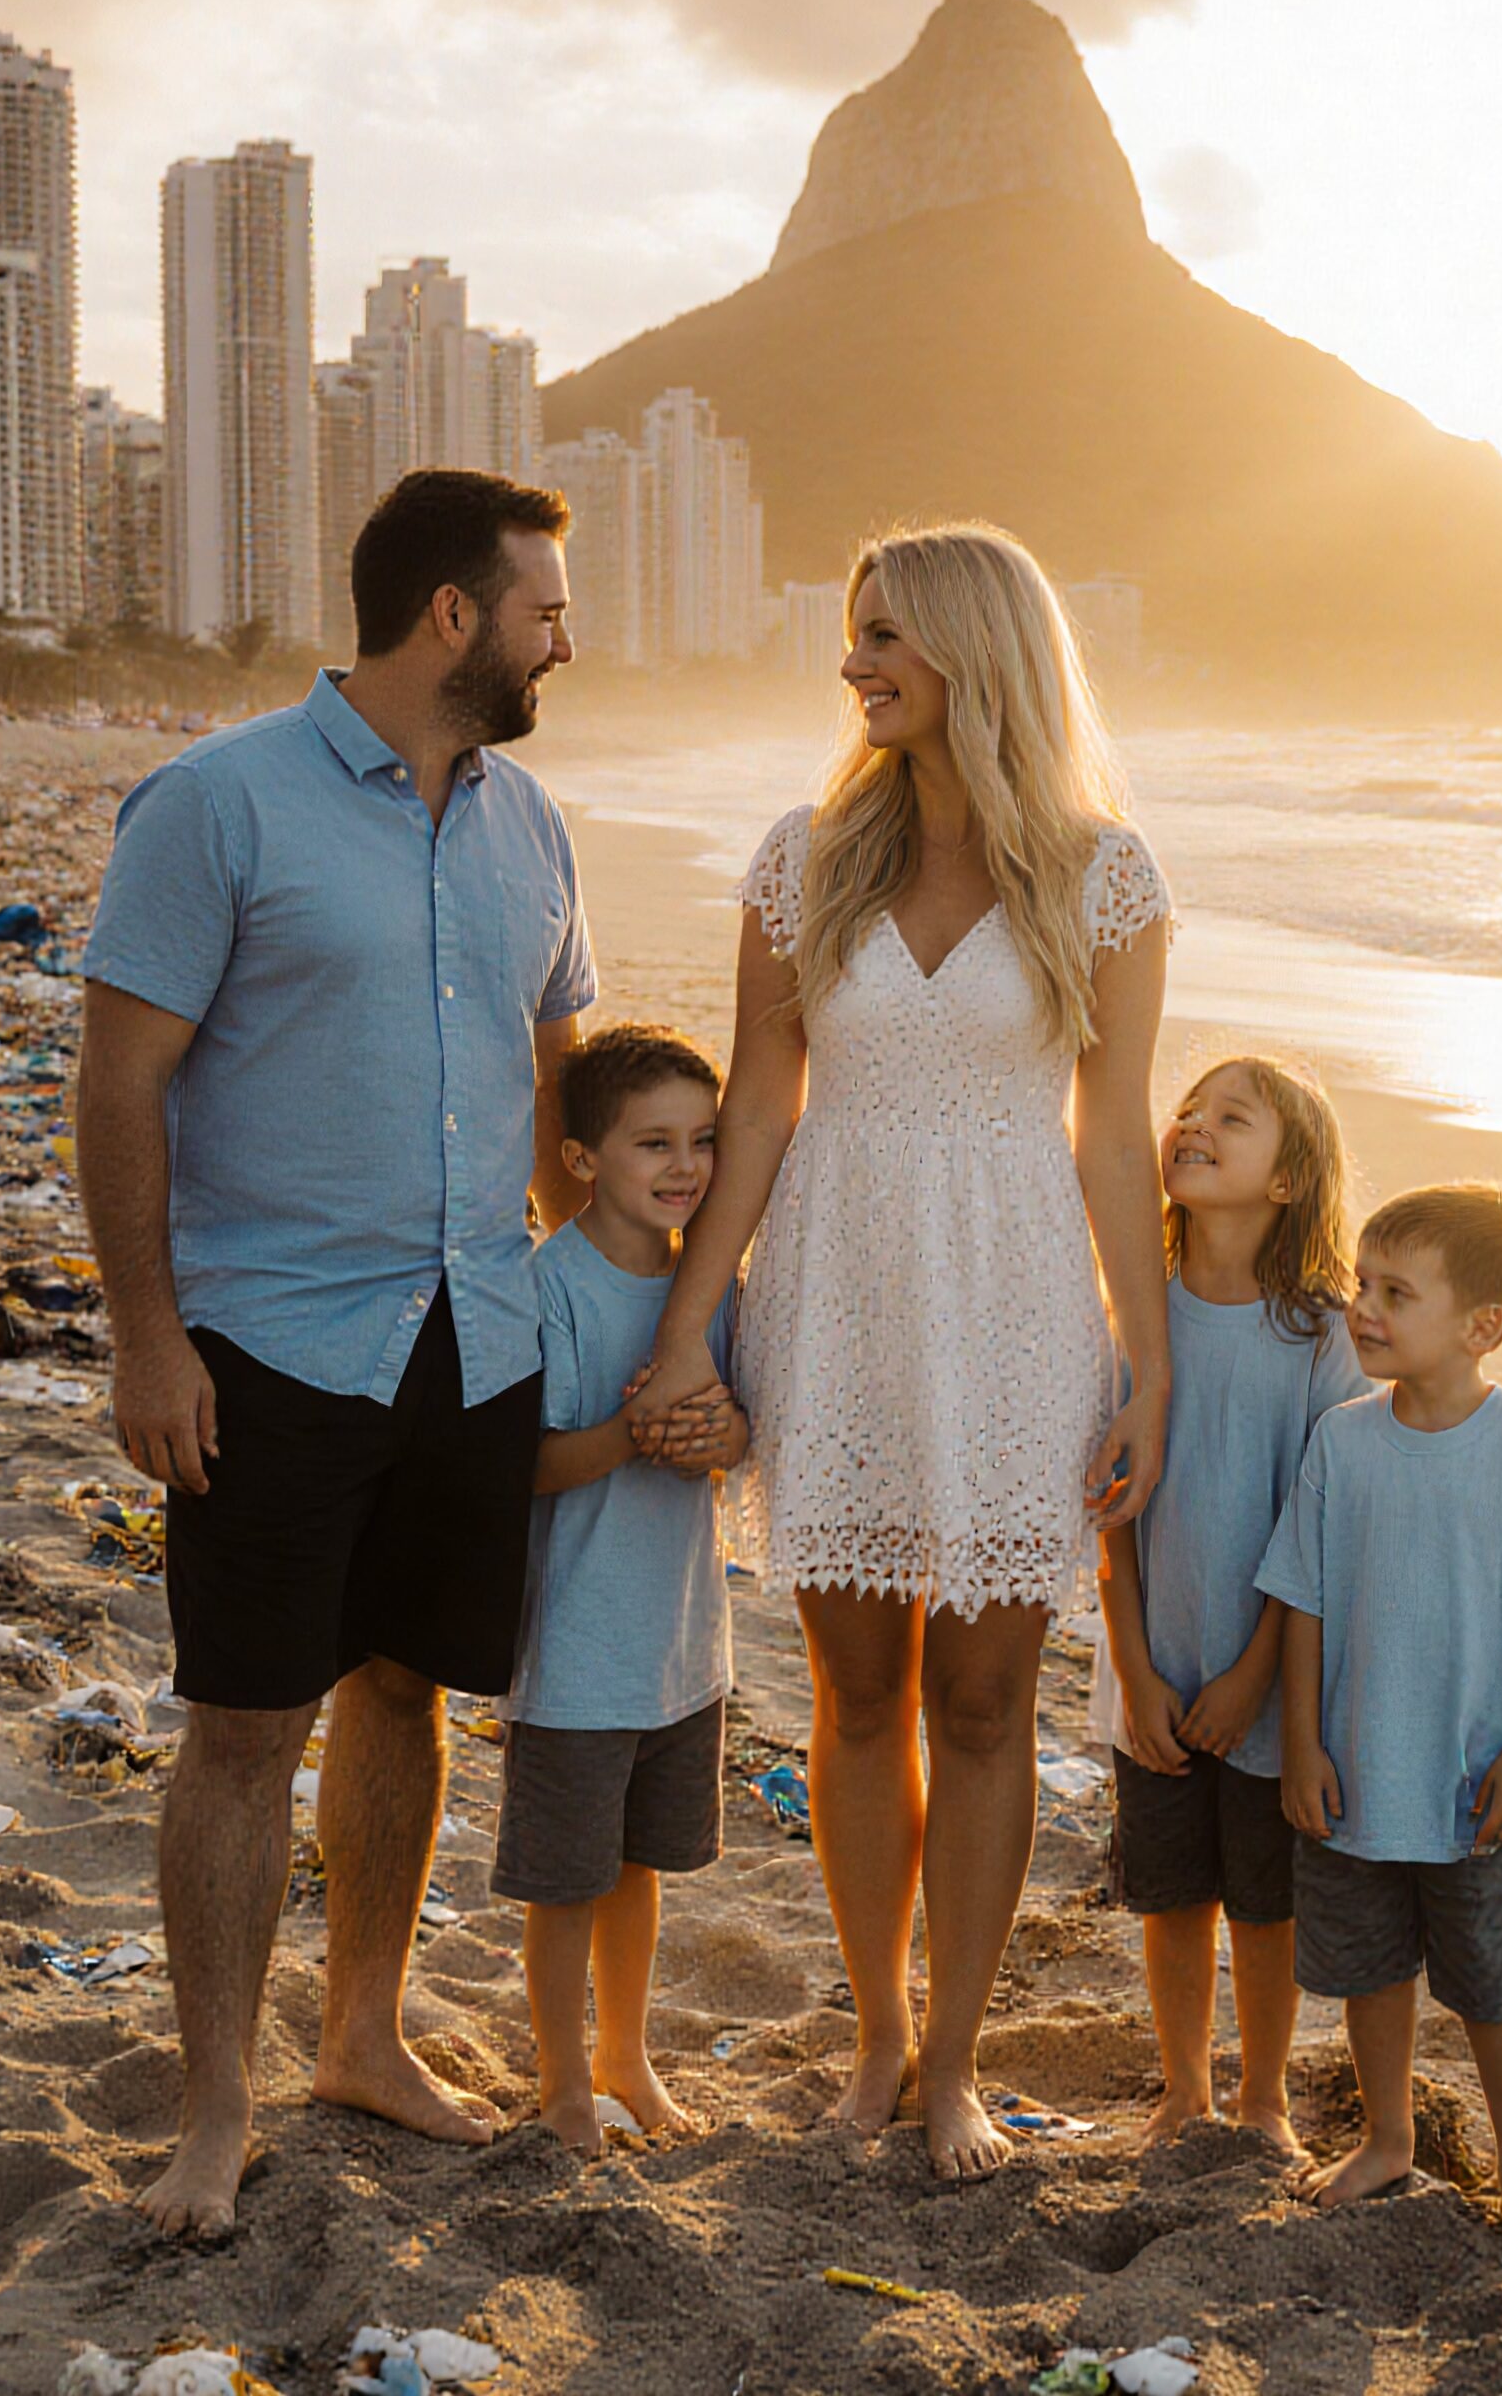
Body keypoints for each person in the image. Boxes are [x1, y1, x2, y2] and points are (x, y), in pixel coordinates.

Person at [75, 469, 593, 2240]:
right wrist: (149, 1341)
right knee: (244, 1726)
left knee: (408, 1693)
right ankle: (214, 2110)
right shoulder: (215, 803)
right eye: (542, 610)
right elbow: (120, 1084)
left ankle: (362, 2036)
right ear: (452, 614)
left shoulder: (534, 824)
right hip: (277, 1343)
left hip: (480, 1336)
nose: (563, 642)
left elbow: (558, 1087)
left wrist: (610, 1317)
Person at [626, 522, 1172, 2178]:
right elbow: (759, 1111)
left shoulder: (1105, 876)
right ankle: (877, 2034)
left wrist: (1148, 1366)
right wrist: (689, 1330)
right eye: (855, 633)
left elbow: (1113, 1140)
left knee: (987, 1704)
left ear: (971, 652)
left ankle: (958, 2065)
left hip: (1016, 1304)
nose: (853, 661)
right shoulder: (806, 860)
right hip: (840, 1294)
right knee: (860, 1697)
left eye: (882, 635)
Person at [1262, 1185, 1502, 2276]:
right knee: (1372, 1972)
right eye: (1362, 1285)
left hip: (1473, 1788)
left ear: (1481, 1325)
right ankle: (1388, 2136)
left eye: (1395, 1293)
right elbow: (1303, 1604)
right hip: (1357, 1772)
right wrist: (1301, 1744)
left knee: (1499, 1993)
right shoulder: (1341, 1442)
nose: (1364, 1309)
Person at [1096, 1055, 1366, 2155]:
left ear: (1288, 1180)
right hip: (1153, 1670)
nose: (1194, 1125)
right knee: (1171, 1896)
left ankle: (1263, 2096)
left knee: (1263, 1900)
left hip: (1273, 1678)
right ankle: (1183, 2089)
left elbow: (1321, 1522)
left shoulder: (1321, 1335)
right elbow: (1109, 1515)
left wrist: (1256, 1674)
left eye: (1232, 1118)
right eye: (1187, 1110)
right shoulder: (1134, 1313)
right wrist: (1135, 1671)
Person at [495, 1022, 746, 2157]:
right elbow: (527, 1466)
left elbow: (737, 1429)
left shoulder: (710, 1283)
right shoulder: (551, 1286)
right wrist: (633, 1431)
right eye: (654, 1143)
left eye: (703, 1139)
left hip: (680, 1643)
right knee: (565, 1883)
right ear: (582, 1158)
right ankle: (560, 2081)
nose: (685, 1166)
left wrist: (719, 1433)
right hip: (575, 1650)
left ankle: (625, 2057)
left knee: (640, 1870)